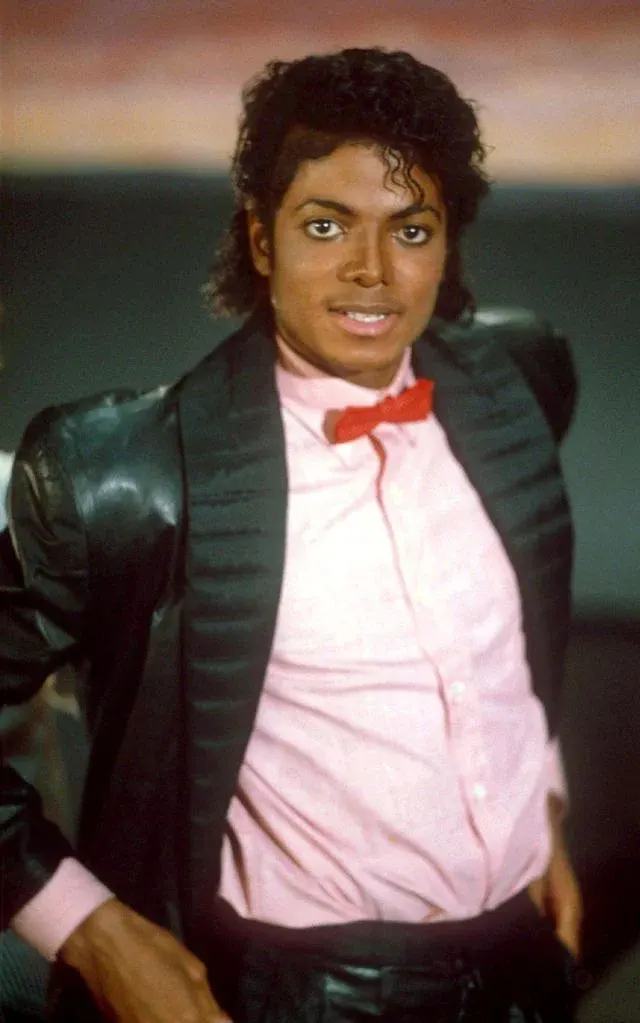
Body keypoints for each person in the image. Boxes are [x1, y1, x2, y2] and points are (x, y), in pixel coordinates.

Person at [0, 48, 582, 1022]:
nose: (371, 271)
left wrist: (542, 806)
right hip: (307, 992)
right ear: (260, 239)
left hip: (526, 967)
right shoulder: (127, 473)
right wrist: (92, 930)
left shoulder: (517, 378)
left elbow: (514, 631)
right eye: (325, 224)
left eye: (411, 229)